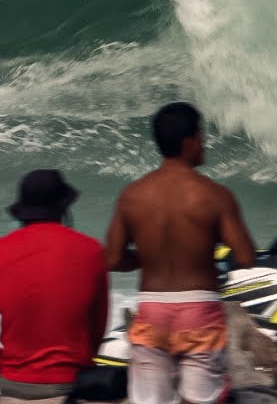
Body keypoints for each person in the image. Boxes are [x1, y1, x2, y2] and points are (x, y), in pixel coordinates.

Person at [104, 102, 257, 404]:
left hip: (152, 311)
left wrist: (147, 257)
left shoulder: (132, 195)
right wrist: (205, 251)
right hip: (200, 312)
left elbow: (113, 259)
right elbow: (245, 256)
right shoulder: (215, 195)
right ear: (189, 142)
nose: (204, 143)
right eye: (201, 136)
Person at [0, 169, 109, 401]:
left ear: (23, 211)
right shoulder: (93, 251)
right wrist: (83, 361)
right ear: (63, 207)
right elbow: (98, 322)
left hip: (14, 382)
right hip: (72, 383)